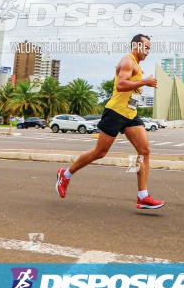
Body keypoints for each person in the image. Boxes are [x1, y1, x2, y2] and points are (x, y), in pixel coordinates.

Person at [56, 33, 165, 209]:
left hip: (130, 114)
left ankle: (142, 196)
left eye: (149, 48)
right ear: (136, 45)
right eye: (146, 47)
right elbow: (121, 85)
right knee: (100, 152)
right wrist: (144, 82)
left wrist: (142, 82)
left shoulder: (136, 65)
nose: (148, 51)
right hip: (115, 112)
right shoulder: (128, 61)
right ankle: (65, 174)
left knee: (144, 150)